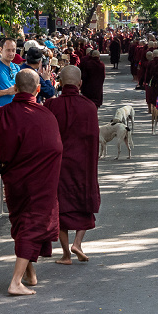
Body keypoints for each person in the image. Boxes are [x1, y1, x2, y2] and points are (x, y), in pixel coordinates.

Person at [0, 69, 63, 295]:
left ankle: (29, 273)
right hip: (41, 181)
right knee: (32, 224)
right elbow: (56, 148)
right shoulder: (47, 115)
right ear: (38, 89)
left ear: (15, 88)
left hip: (14, 178)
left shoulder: (0, 114)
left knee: (22, 222)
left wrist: (1, 167)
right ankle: (15, 282)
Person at [44, 66, 100, 265]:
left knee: (60, 207)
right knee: (84, 204)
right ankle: (78, 243)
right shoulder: (89, 107)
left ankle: (66, 253)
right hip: (83, 166)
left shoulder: (51, 105)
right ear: (80, 84)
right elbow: (94, 139)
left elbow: (46, 137)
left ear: (60, 82)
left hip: (58, 166)